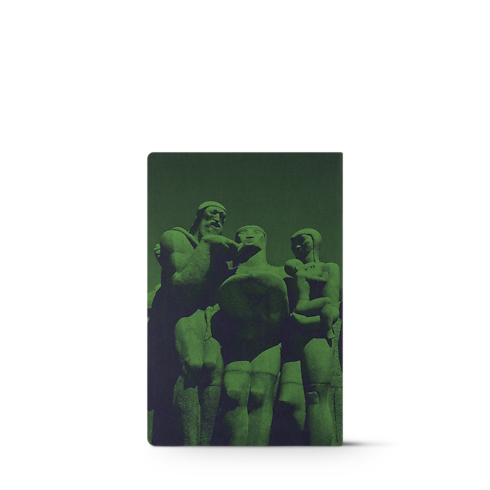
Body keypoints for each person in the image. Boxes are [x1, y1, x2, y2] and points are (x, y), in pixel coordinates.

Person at [147, 201, 239, 446]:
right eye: (213, 214)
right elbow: (182, 287)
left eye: (222, 217)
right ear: (199, 217)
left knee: (214, 370)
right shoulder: (175, 238)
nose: (218, 219)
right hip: (182, 312)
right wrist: (207, 245)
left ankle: (204, 441)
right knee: (193, 364)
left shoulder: (220, 257)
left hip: (209, 316)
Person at [211, 226, 289, 446]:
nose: (248, 234)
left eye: (256, 231)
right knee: (233, 392)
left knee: (259, 394)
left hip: (268, 344)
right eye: (242, 232)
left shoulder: (281, 272)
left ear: (265, 239)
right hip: (236, 343)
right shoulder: (224, 274)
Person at [279, 228, 341, 446]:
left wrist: (306, 322)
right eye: (293, 244)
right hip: (291, 341)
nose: (297, 247)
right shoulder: (290, 276)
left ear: (315, 241)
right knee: (288, 400)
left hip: (316, 334)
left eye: (302, 241)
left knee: (316, 395)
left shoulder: (329, 268)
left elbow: (332, 307)